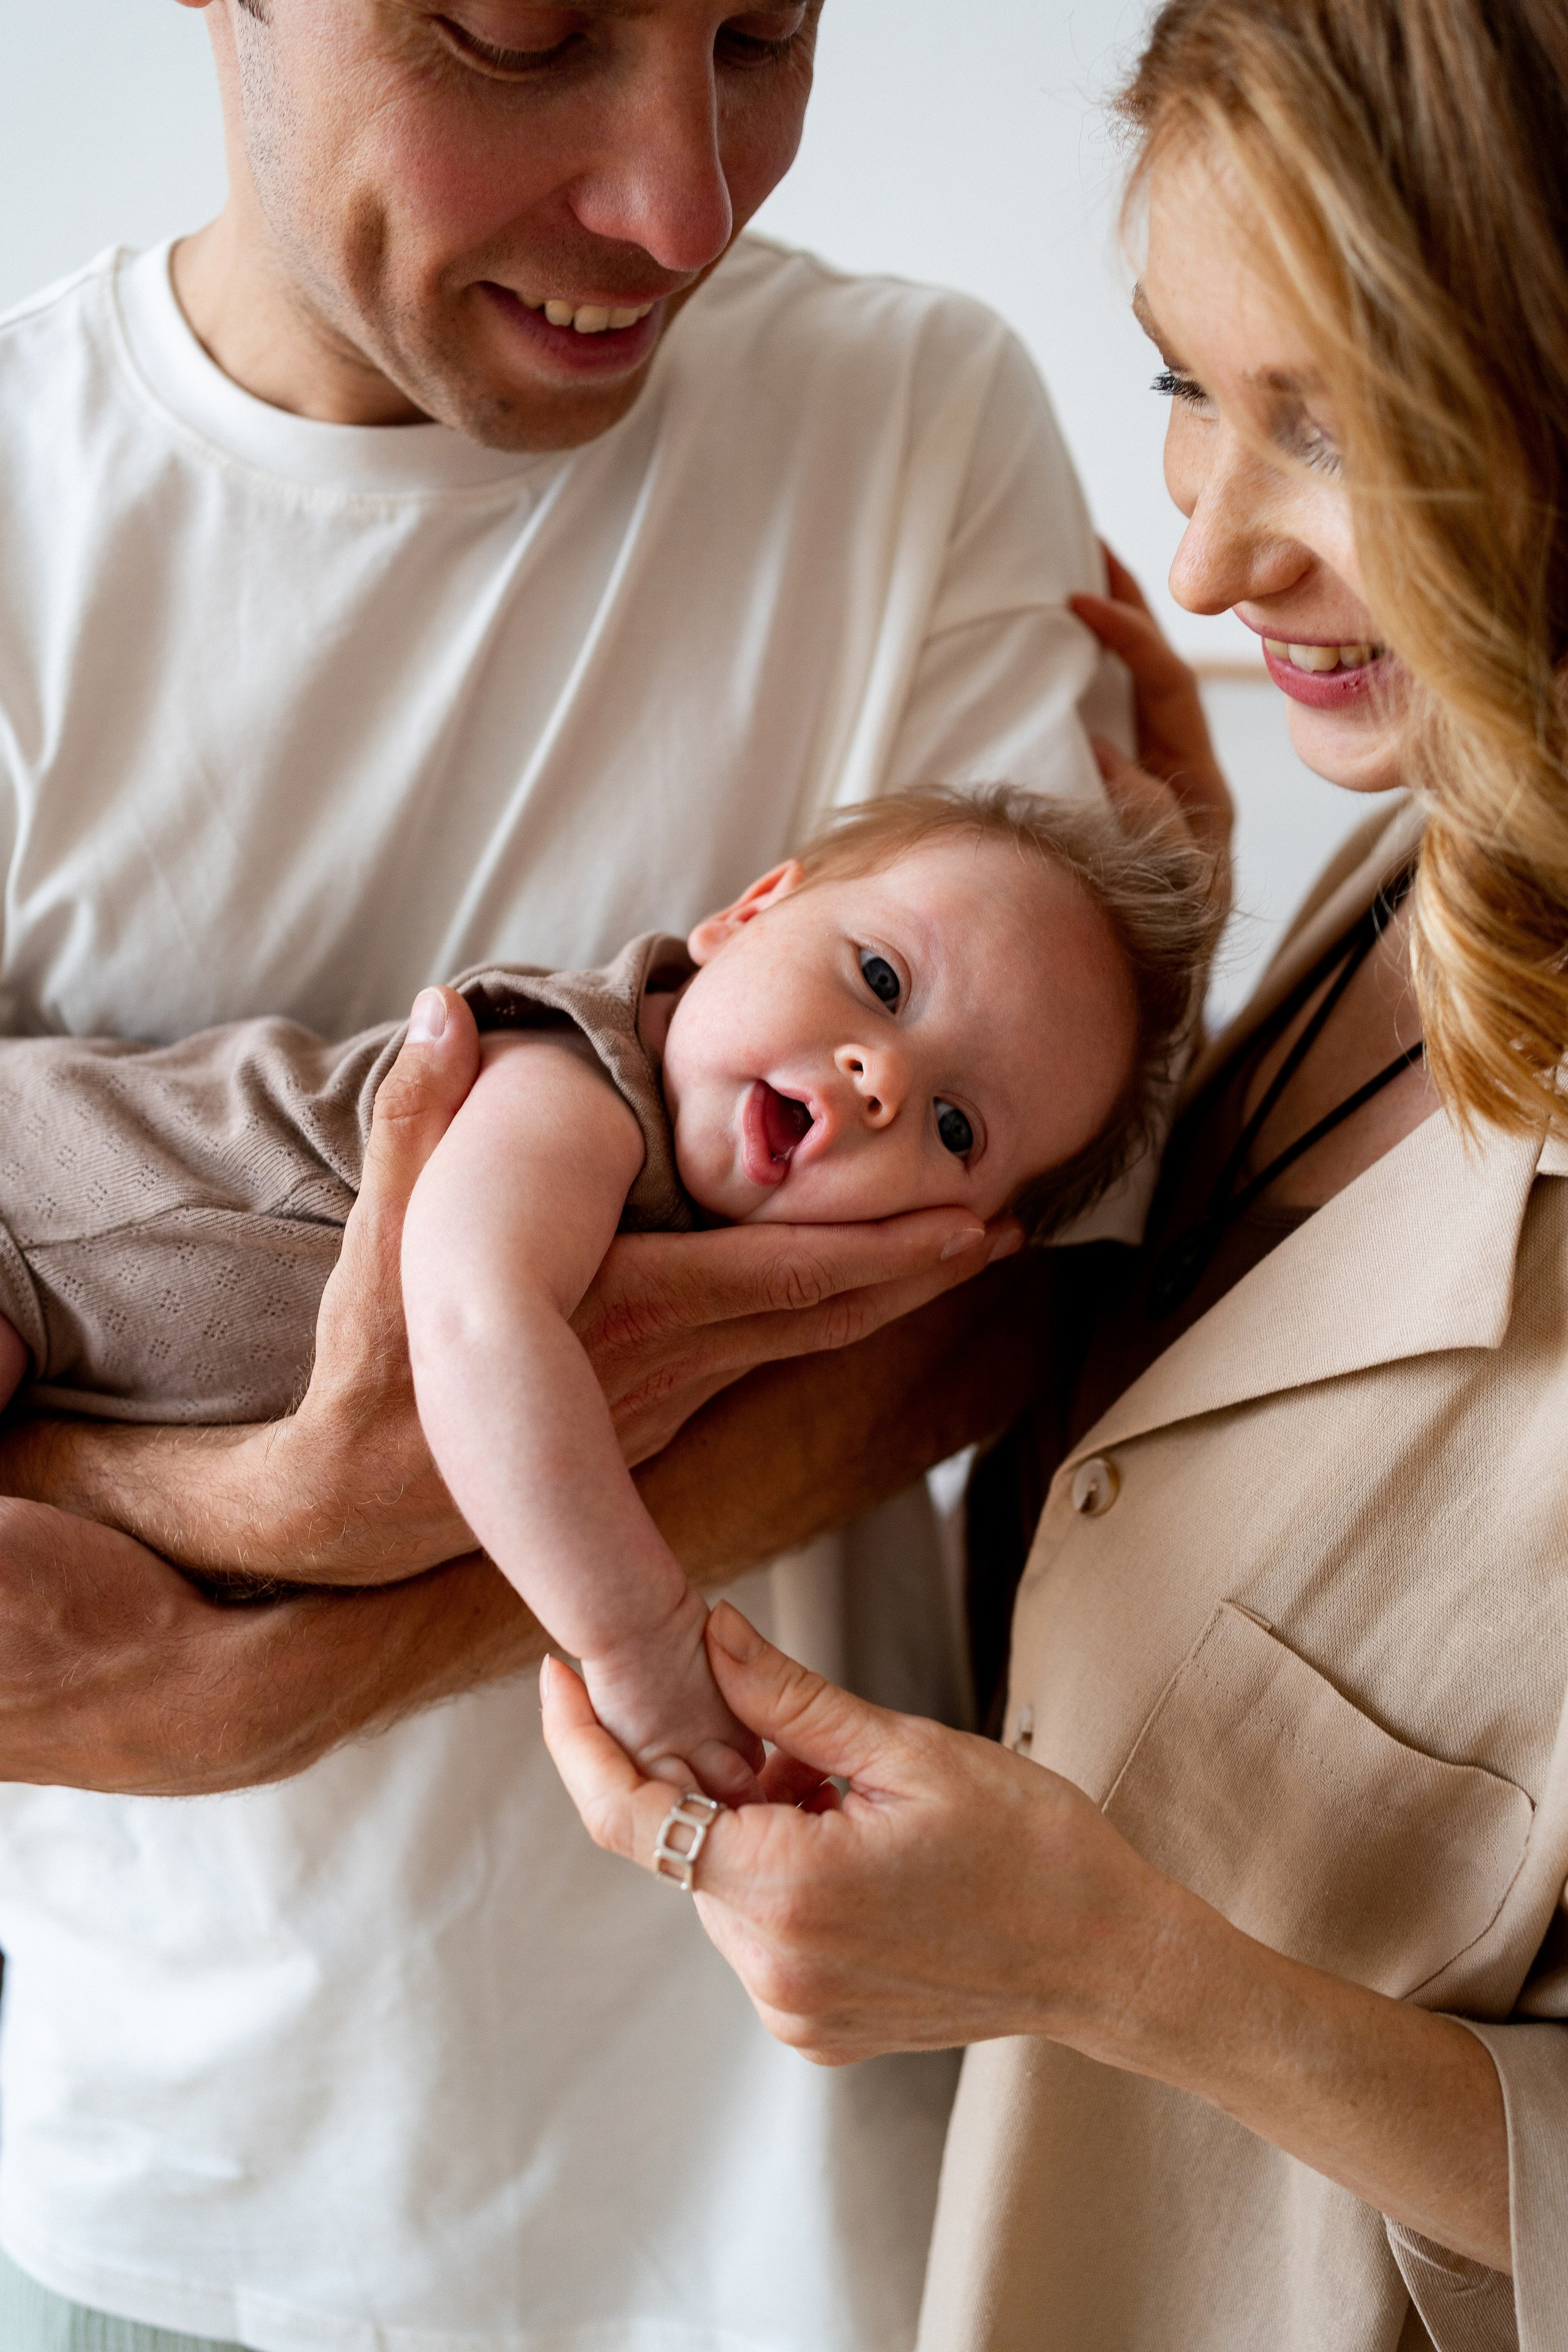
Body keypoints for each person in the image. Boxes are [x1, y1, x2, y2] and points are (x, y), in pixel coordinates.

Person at [0, 1, 1142, 2345]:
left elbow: (1006, 1296)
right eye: (520, 34)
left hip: (780, 2181)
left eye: (763, 37)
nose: (686, 206)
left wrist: (298, 1655)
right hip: (182, 2181)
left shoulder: (911, 425)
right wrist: (266, 1515)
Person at [541, 1, 1568, 2346]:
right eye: (1189, 384)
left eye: (1340, 422)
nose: (1201, 563)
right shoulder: (1412, 890)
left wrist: (1122, 1970)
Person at [0, 786, 1212, 1799]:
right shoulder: (576, 1075)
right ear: (743, 918)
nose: (879, 1073)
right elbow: (479, 1320)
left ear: (962, 1232)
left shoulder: (717, 1253)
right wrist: (637, 1640)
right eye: (881, 979)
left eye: (954, 1123)